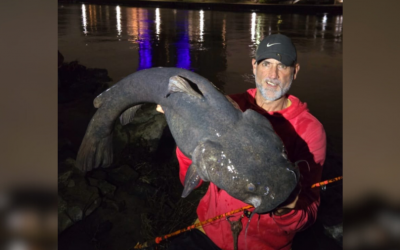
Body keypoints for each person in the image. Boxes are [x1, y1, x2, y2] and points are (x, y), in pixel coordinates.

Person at [158, 33, 326, 250]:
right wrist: (183, 128)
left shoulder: (310, 130)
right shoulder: (228, 104)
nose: (273, 75)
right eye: (266, 63)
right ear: (254, 66)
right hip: (208, 231)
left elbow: (309, 213)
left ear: (295, 71)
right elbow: (191, 179)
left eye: (283, 66)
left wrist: (286, 207)